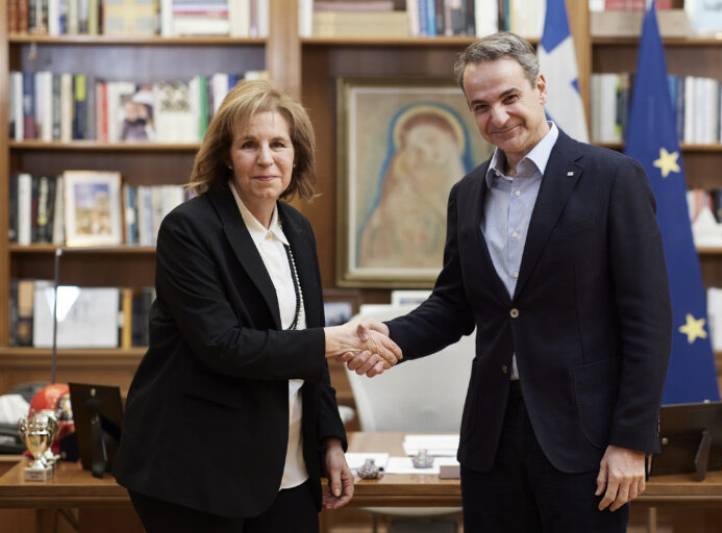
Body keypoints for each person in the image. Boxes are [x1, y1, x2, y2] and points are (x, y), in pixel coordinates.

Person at [349, 32, 672, 532]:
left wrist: (631, 441)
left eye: (509, 98)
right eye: (481, 106)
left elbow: (648, 320)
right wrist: (390, 338)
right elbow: (454, 305)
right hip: (491, 437)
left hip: (584, 441)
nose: (497, 117)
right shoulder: (466, 193)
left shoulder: (613, 179)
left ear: (540, 88)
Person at [113, 79, 402, 533]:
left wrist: (329, 440)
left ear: (296, 155)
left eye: (278, 144)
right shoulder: (188, 230)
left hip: (289, 465)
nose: (266, 158)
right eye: (249, 144)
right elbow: (223, 345)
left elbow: (310, 350)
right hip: (197, 471)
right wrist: (332, 340)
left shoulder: (297, 230)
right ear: (227, 155)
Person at [358, 104, 470, 269]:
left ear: (450, 146)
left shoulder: (466, 200)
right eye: (414, 147)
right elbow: (372, 260)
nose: (424, 151)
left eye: (430, 141)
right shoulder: (395, 203)